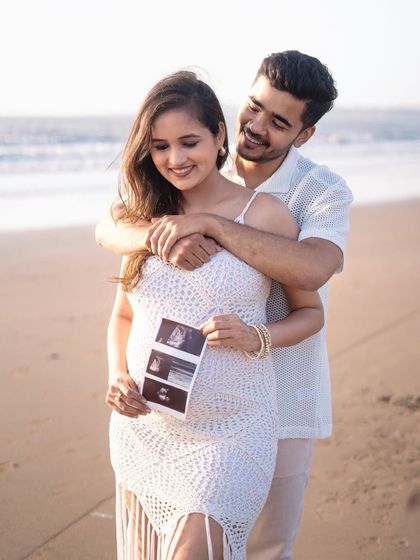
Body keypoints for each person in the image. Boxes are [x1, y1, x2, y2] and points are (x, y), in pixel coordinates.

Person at [97, 51, 353, 560]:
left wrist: (214, 227)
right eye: (254, 107)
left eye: (279, 122)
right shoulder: (170, 185)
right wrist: (154, 233)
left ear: (302, 135)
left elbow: (312, 271)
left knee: (266, 546)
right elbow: (116, 267)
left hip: (271, 398)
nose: (256, 126)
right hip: (156, 418)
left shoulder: (315, 194)